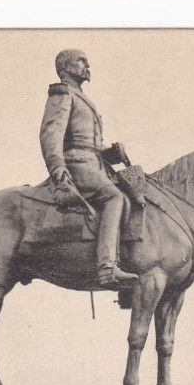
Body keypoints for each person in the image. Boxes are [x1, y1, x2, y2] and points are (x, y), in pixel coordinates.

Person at [39, 49, 139, 289]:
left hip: (94, 164)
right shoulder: (62, 94)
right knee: (114, 197)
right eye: (81, 61)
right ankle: (107, 268)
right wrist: (58, 168)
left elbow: (89, 144)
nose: (87, 65)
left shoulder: (80, 97)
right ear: (65, 68)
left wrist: (112, 153)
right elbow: (51, 136)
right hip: (77, 165)